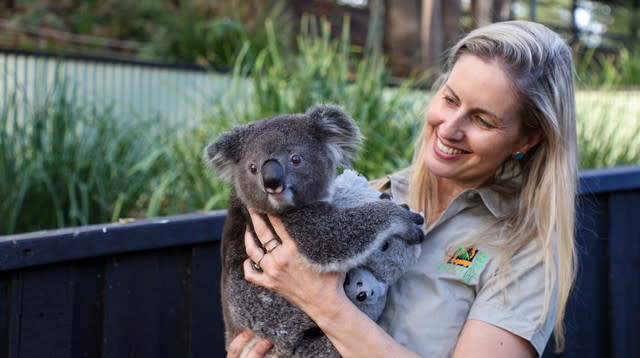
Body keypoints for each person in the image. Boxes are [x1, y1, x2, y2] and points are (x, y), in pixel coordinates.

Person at [227, 20, 578, 358]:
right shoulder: (371, 194)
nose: (450, 128)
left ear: (528, 139)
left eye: (483, 120)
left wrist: (322, 302)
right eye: (451, 100)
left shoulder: (524, 249)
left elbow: (318, 293)